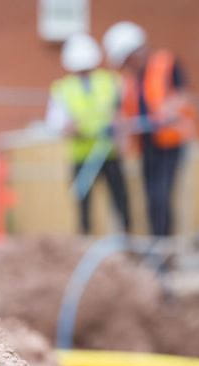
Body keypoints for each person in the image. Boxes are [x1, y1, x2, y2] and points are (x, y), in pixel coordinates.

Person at [103, 21, 194, 237]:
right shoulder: (130, 81)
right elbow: (122, 112)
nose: (127, 66)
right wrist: (118, 128)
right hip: (148, 145)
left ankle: (164, 247)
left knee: (161, 196)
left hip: (170, 143)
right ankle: (156, 243)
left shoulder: (166, 64)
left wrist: (167, 115)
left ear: (135, 52)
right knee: (150, 197)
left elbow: (182, 96)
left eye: (127, 60)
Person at [46, 32, 130, 235]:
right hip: (82, 155)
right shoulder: (63, 88)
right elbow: (56, 122)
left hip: (109, 153)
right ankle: (85, 244)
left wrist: (120, 135)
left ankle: (127, 243)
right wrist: (72, 129)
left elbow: (122, 113)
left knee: (121, 201)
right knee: (84, 205)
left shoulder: (110, 81)